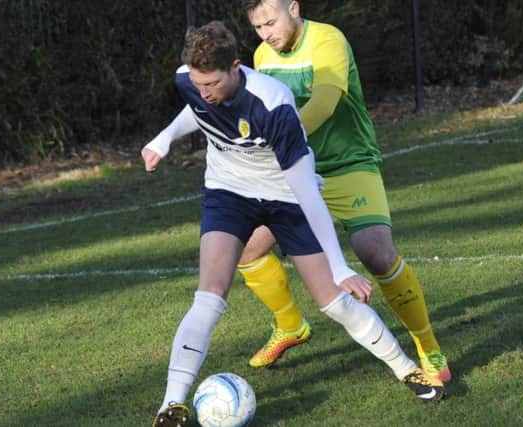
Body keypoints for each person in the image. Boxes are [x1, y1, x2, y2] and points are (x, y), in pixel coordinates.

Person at [144, 21, 444, 427]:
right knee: (209, 296)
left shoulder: (274, 107)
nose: (205, 93)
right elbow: (196, 109)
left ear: (236, 67)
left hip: (287, 198)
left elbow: (308, 196)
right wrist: (163, 139)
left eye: (213, 83)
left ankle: (405, 366)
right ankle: (172, 405)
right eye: (199, 84)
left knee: (333, 301)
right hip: (228, 193)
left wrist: (340, 269)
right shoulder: (190, 81)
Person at [238, 0, 451, 384]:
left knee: (376, 253)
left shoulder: (328, 39)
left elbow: (324, 101)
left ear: (294, 8)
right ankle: (290, 325)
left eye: (270, 22)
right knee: (247, 248)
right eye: (258, 27)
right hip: (298, 170)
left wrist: (283, 138)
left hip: (349, 163)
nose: (266, 33)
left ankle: (427, 345)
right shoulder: (261, 54)